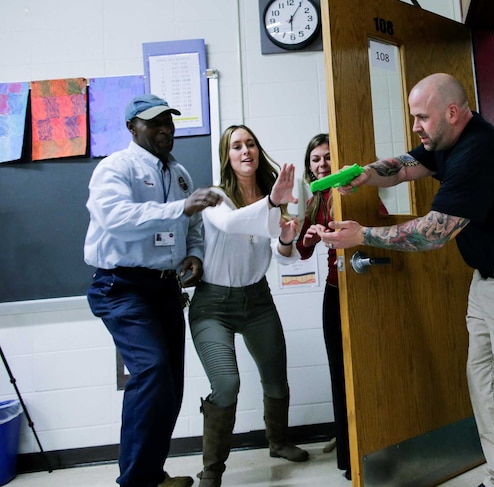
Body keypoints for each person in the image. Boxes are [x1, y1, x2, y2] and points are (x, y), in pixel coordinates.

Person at [319, 73, 494, 487]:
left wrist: (363, 236)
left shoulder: (477, 152)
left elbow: (433, 232)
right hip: (484, 283)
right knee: (486, 387)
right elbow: (404, 168)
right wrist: (365, 174)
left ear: (451, 112)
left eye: (421, 117)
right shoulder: (448, 138)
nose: (416, 126)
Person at [84, 94, 219, 487]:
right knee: (152, 371)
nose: (165, 130)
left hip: (164, 287)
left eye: (169, 123)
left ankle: (151, 474)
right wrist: (180, 209)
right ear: (132, 128)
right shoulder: (116, 168)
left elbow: (193, 226)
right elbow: (116, 218)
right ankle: (136, 482)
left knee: (170, 383)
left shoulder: (179, 174)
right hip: (121, 286)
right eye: (154, 123)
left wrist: (193, 254)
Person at [189, 125, 310, 487]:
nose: (246, 151)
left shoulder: (275, 197)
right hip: (213, 304)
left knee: (276, 379)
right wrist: (271, 204)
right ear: (227, 155)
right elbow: (230, 224)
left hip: (257, 298)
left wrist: (287, 239)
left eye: (251, 144)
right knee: (226, 383)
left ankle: (278, 442)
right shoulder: (215, 197)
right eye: (237, 146)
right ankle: (212, 470)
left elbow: (283, 257)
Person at [294, 133, 352, 480]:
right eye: (315, 160)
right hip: (333, 291)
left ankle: (364, 448)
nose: (322, 165)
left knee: (357, 371)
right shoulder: (315, 198)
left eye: (327, 158)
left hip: (359, 290)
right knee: (338, 373)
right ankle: (347, 456)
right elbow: (301, 250)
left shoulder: (349, 190)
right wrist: (310, 238)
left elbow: (375, 223)